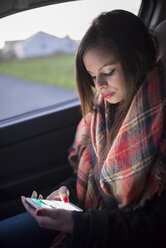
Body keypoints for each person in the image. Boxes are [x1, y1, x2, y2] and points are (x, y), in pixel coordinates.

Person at [0, 9, 166, 248]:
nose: (99, 86)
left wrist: (76, 224)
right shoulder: (104, 110)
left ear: (137, 59)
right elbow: (92, 177)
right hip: (89, 218)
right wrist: (65, 191)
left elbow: (156, 226)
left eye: (108, 72)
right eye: (91, 75)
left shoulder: (159, 123)